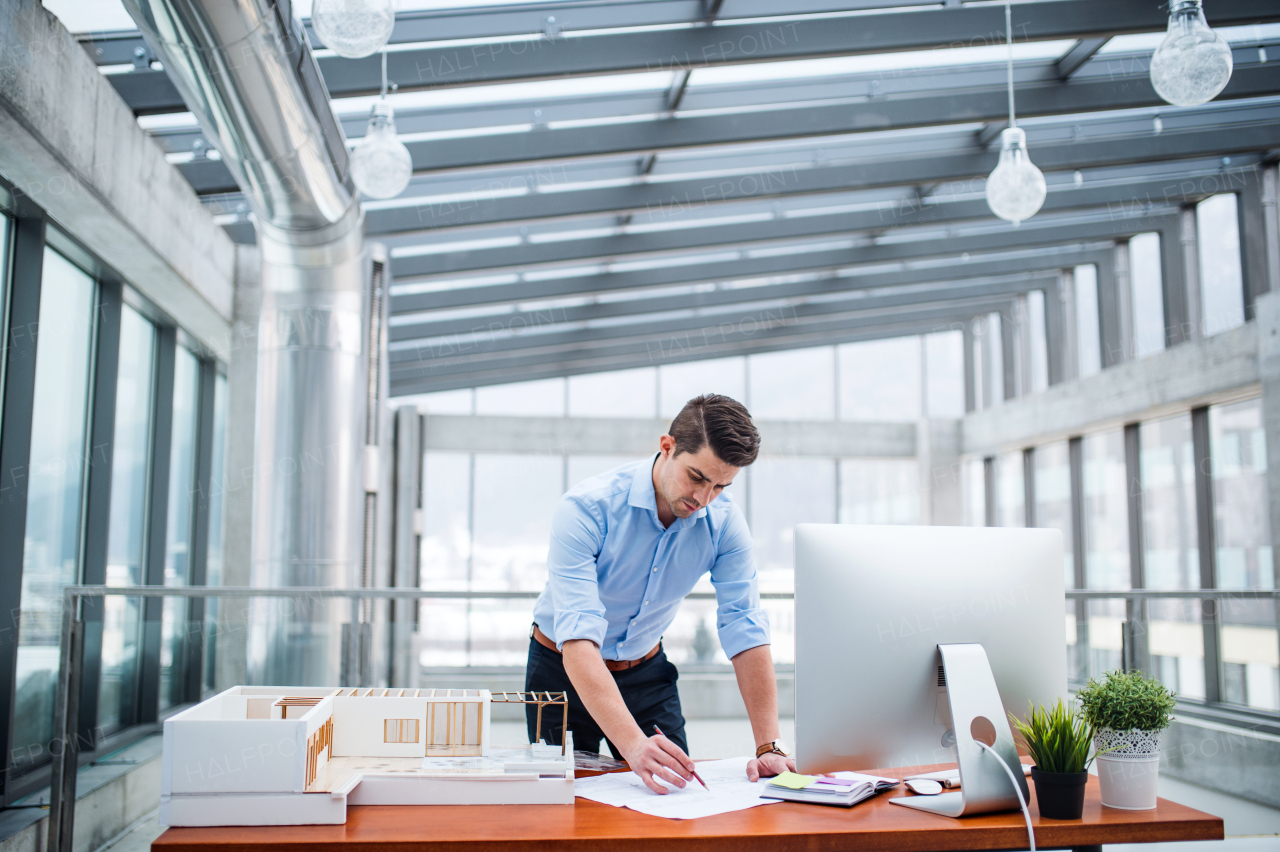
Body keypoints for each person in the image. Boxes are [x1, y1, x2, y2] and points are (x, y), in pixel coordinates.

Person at [526, 394, 794, 794]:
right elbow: (579, 639)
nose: (704, 499)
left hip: (646, 673)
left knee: (675, 799)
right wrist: (631, 744)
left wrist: (767, 745)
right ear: (667, 447)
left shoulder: (723, 524)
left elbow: (744, 624)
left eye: (721, 486)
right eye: (697, 478)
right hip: (562, 670)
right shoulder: (586, 509)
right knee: (563, 806)